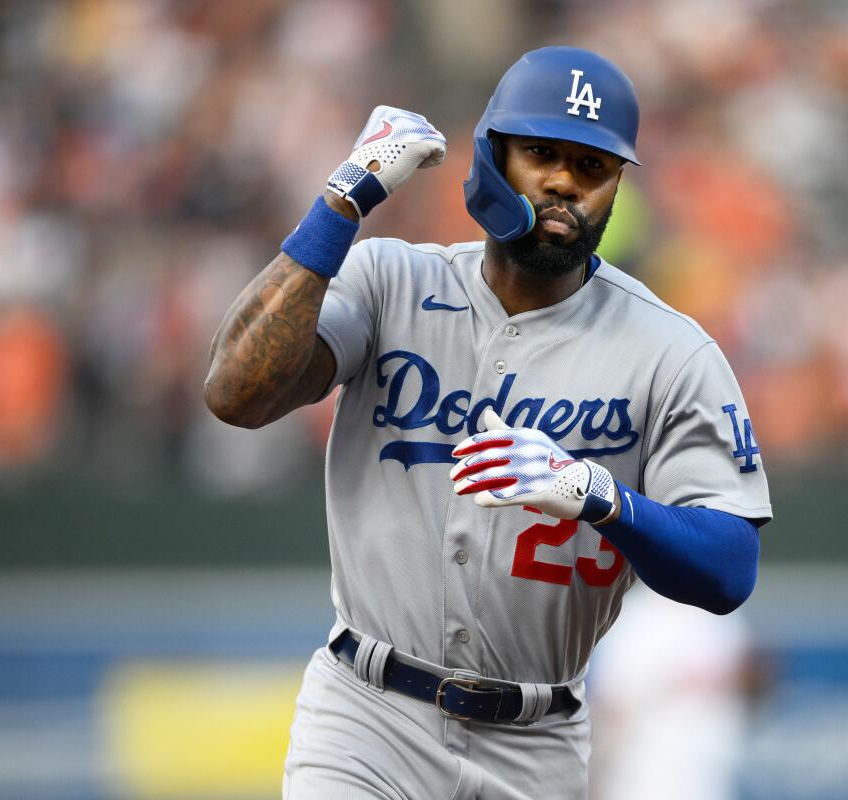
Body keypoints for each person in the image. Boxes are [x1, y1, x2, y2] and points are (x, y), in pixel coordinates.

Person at [204, 46, 771, 800]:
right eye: (540, 152)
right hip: (367, 717)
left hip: (536, 742)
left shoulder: (669, 350)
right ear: (491, 156)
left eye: (593, 168)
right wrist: (341, 202)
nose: (565, 180)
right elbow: (236, 392)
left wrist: (600, 495)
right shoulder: (389, 280)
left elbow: (730, 569)